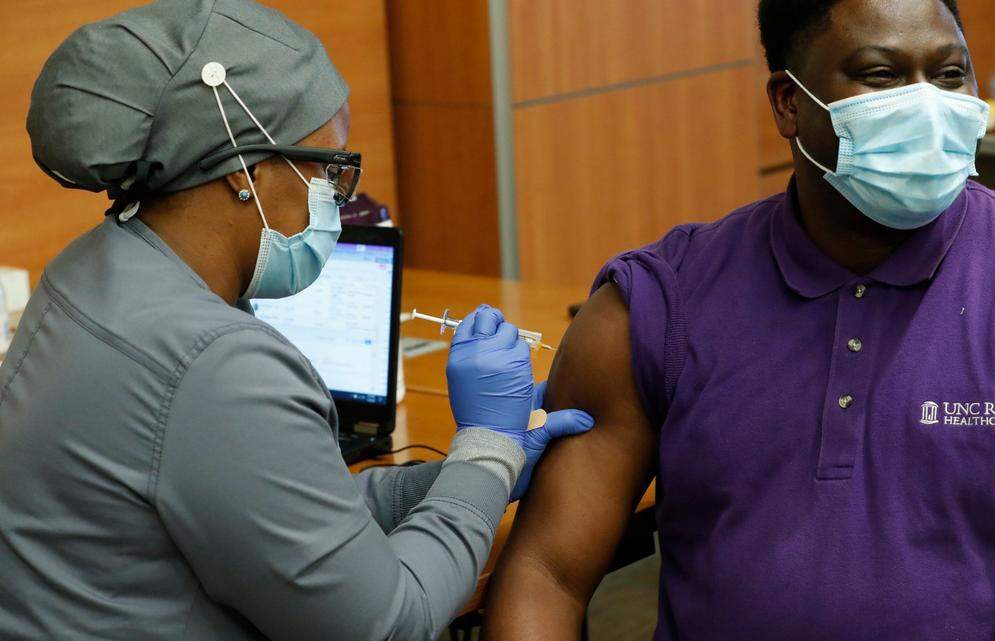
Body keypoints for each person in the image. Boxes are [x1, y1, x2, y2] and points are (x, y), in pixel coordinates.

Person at [483, 0, 995, 639]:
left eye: (948, 75)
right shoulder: (656, 304)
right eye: (882, 74)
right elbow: (546, 573)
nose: (927, 105)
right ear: (789, 103)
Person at [0, 2, 592, 640]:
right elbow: (390, 623)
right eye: (328, 171)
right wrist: (486, 453)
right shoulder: (217, 366)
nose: (340, 198)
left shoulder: (90, 269)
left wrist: (460, 478)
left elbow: (291, 523)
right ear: (246, 174)